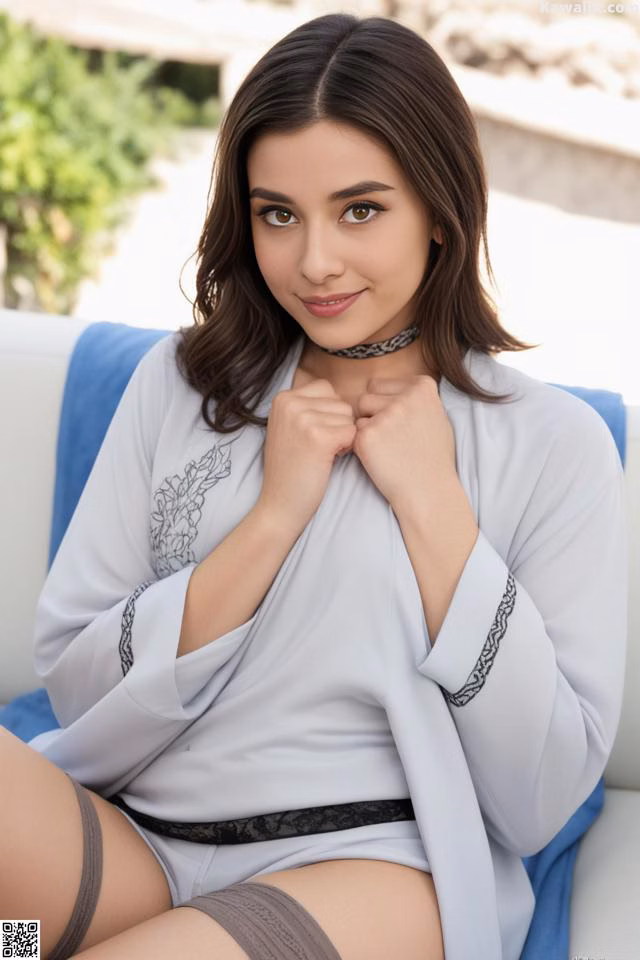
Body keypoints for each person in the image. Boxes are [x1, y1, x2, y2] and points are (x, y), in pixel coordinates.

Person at [0, 11, 627, 960]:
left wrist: (437, 510)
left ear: (441, 210)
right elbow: (78, 686)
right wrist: (273, 517)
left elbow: (539, 797)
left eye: (360, 209)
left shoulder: (554, 444)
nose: (314, 261)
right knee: (9, 940)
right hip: (134, 847)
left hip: (363, 874)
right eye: (277, 214)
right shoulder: (183, 384)